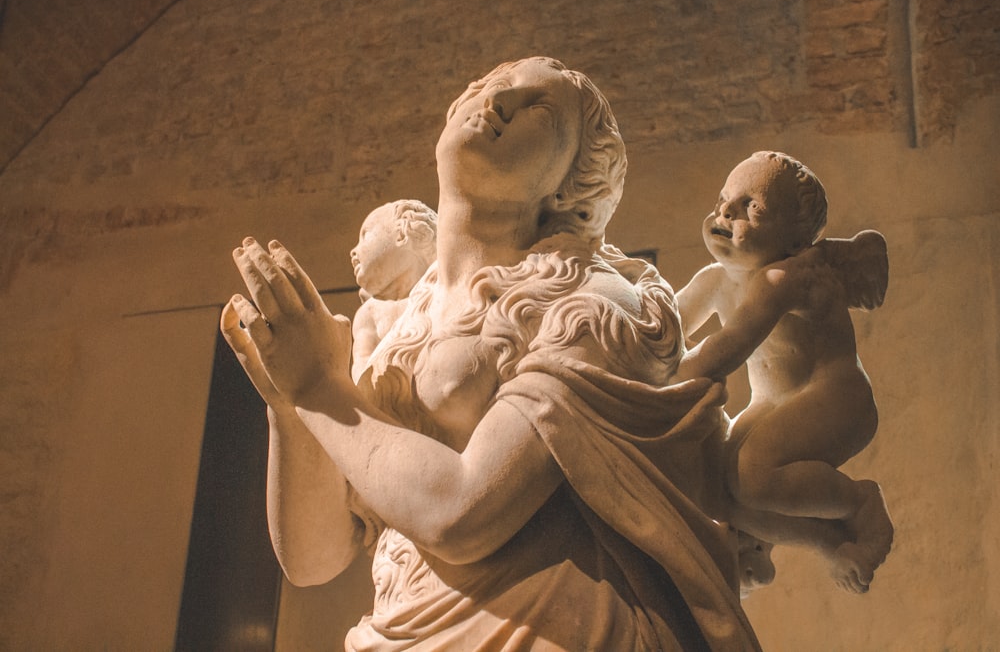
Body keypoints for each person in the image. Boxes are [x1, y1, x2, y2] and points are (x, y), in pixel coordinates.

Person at [221, 57, 770, 650]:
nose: (497, 103)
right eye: (487, 87)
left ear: (570, 182)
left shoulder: (591, 300)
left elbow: (462, 512)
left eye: (538, 107)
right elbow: (314, 559)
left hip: (546, 632)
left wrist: (320, 390)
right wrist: (290, 401)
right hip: (403, 632)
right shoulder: (399, 321)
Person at [676, 151, 893, 594]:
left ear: (795, 243)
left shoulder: (788, 278)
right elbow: (664, 328)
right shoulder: (716, 279)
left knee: (754, 472)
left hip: (837, 398)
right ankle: (826, 540)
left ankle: (860, 504)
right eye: (724, 200)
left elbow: (731, 347)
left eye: (752, 208)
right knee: (721, 485)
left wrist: (660, 382)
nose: (726, 212)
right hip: (776, 402)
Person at [349, 199, 437, 382]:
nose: (353, 251)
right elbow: (362, 367)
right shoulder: (370, 312)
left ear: (402, 233)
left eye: (364, 235)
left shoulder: (440, 292)